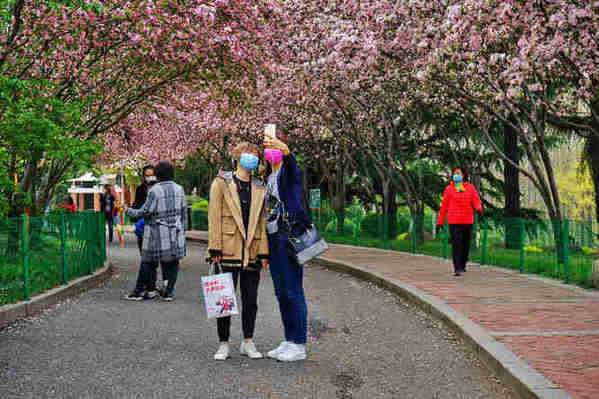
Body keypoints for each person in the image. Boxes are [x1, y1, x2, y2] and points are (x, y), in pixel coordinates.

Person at [207, 142, 270, 361]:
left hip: (252, 250)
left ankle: (248, 342)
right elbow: (213, 216)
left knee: (251, 300)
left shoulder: (260, 186)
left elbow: (261, 221)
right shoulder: (222, 183)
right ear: (237, 157)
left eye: (255, 155)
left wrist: (264, 252)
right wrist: (214, 246)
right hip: (227, 249)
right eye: (248, 154)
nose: (251, 158)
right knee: (224, 299)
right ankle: (223, 343)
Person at [263, 128, 312, 362]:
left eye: (272, 144)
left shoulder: (287, 170)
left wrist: (287, 152)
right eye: (266, 145)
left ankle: (299, 344)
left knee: (293, 290)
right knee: (281, 291)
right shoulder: (269, 176)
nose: (267, 149)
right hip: (273, 238)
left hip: (288, 236)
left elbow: (294, 169)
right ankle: (289, 339)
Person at [125, 161, 187, 301]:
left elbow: (145, 211)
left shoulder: (155, 190)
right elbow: (184, 212)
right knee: (173, 262)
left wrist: (128, 211)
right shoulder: (180, 189)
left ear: (158, 174)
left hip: (157, 234)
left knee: (147, 261)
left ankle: (139, 291)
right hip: (175, 232)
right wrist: (182, 230)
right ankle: (168, 292)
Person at [436, 167, 483, 276]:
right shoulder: (449, 189)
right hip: (454, 221)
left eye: (458, 173)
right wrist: (440, 222)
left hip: (467, 221)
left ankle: (463, 264)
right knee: (456, 244)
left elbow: (476, 200)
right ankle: (457, 267)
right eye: (454, 173)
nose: (456, 175)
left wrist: (479, 209)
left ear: (464, 175)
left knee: (465, 244)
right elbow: (444, 206)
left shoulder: (470, 188)